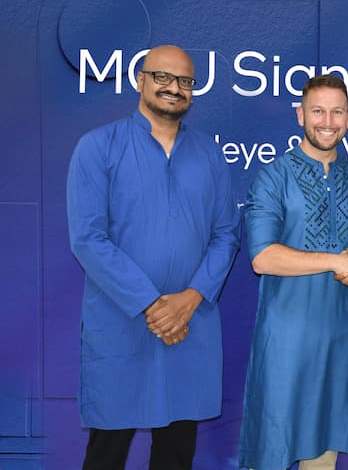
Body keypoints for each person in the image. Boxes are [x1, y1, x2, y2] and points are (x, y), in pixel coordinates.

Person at [67, 45, 241, 469]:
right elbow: (88, 238)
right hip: (122, 322)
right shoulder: (98, 147)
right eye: (163, 76)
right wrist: (152, 304)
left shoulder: (208, 154)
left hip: (190, 323)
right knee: (107, 451)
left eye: (184, 81)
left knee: (177, 451)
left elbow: (226, 235)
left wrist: (190, 298)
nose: (174, 88)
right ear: (139, 80)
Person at [238, 74, 348, 470]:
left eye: (337, 112)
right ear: (300, 115)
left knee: (323, 453)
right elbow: (263, 257)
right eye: (318, 111)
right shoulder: (274, 175)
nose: (327, 122)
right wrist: (334, 260)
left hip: (341, 335)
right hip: (286, 337)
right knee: (274, 446)